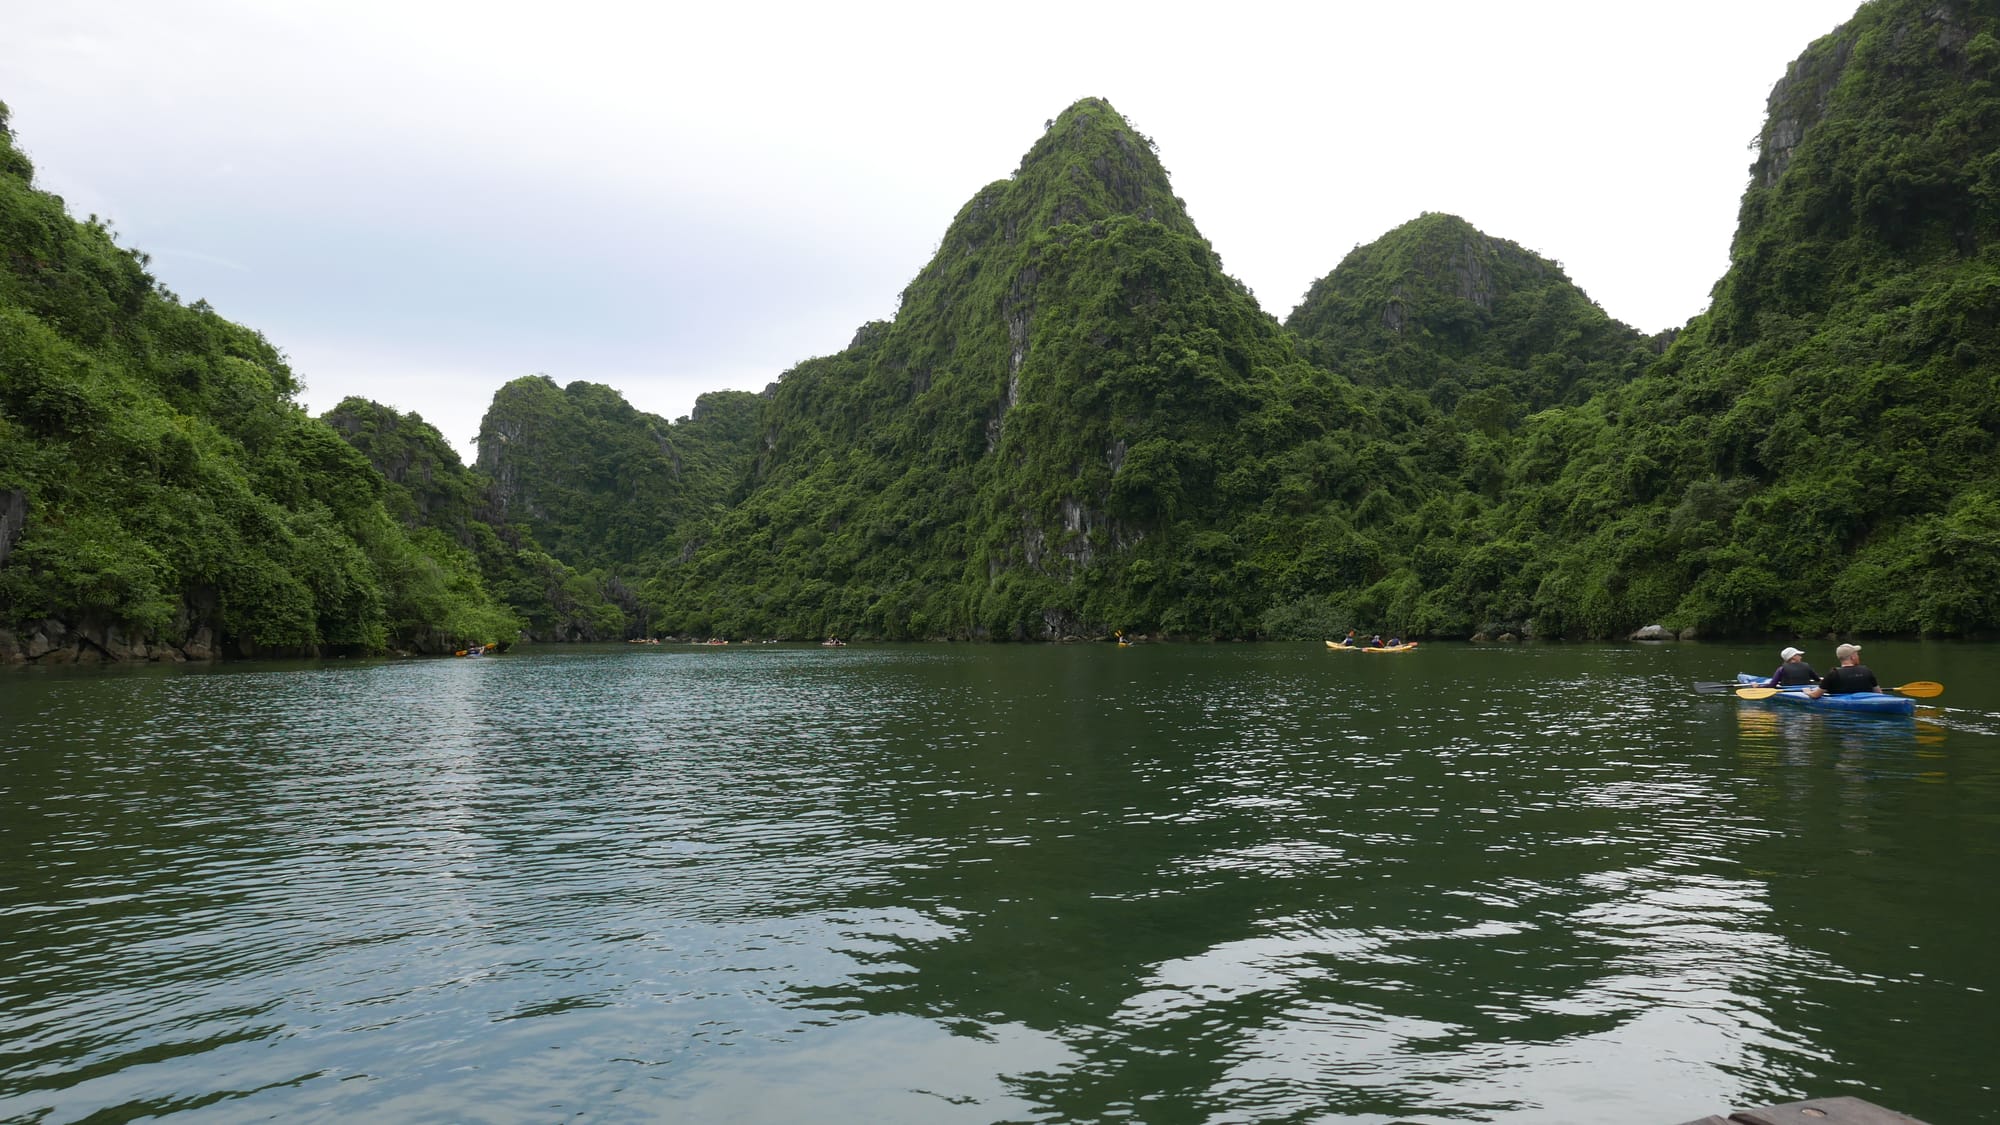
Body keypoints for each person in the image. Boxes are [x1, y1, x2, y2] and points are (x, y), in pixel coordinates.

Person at [1811, 643, 1878, 696]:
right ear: (1852, 657)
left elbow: (1815, 695)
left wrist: (1807, 691)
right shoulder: (1867, 670)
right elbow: (1878, 692)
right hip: (1866, 702)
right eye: (1857, 654)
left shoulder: (1833, 674)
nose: (1858, 656)